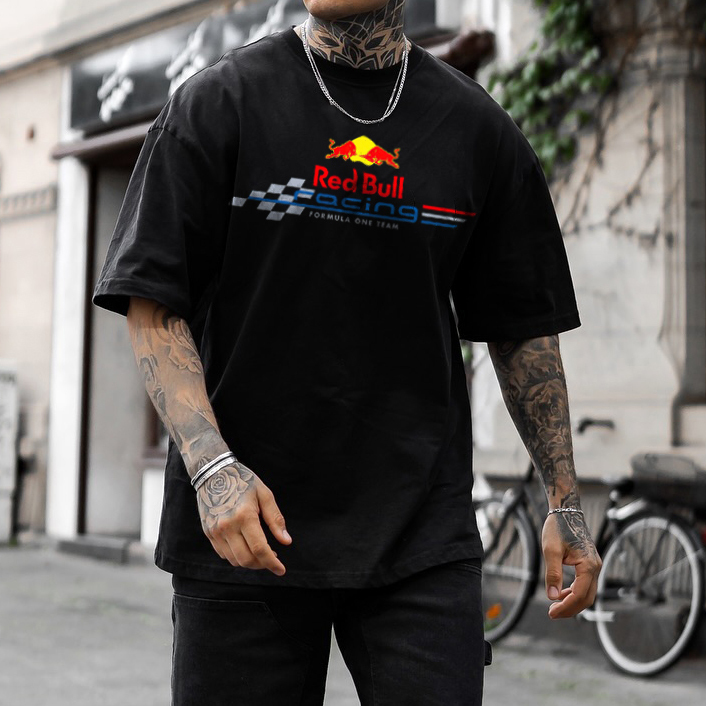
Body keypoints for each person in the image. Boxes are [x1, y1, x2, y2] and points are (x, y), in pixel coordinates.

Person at [93, 1, 601, 703]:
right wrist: (211, 467)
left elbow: (523, 330)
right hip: (245, 524)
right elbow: (153, 303)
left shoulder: (477, 129)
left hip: (418, 533)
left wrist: (566, 502)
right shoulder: (218, 103)